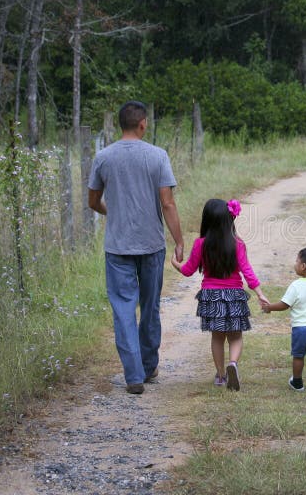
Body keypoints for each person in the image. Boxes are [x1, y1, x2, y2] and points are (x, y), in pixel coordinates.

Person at [88, 100, 184, 395]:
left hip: (117, 247)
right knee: (150, 307)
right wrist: (179, 240)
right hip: (152, 245)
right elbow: (167, 202)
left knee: (123, 309)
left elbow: (93, 202)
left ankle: (133, 375)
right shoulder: (157, 156)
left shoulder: (103, 157)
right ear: (143, 123)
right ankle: (149, 366)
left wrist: (112, 212)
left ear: (121, 124)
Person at [171, 198, 269, 391]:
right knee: (235, 336)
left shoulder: (201, 244)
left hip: (211, 295)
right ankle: (232, 363)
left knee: (217, 337)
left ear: (206, 220)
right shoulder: (237, 244)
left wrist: (176, 263)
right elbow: (247, 270)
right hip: (234, 295)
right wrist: (259, 293)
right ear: (229, 220)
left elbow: (188, 270)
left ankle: (221, 376)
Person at [260, 247, 306, 395]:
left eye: (296, 261)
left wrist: (269, 308)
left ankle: (298, 381)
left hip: (301, 328)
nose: (294, 264)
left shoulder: (296, 285)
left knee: (298, 355)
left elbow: (284, 304)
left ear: (303, 266)